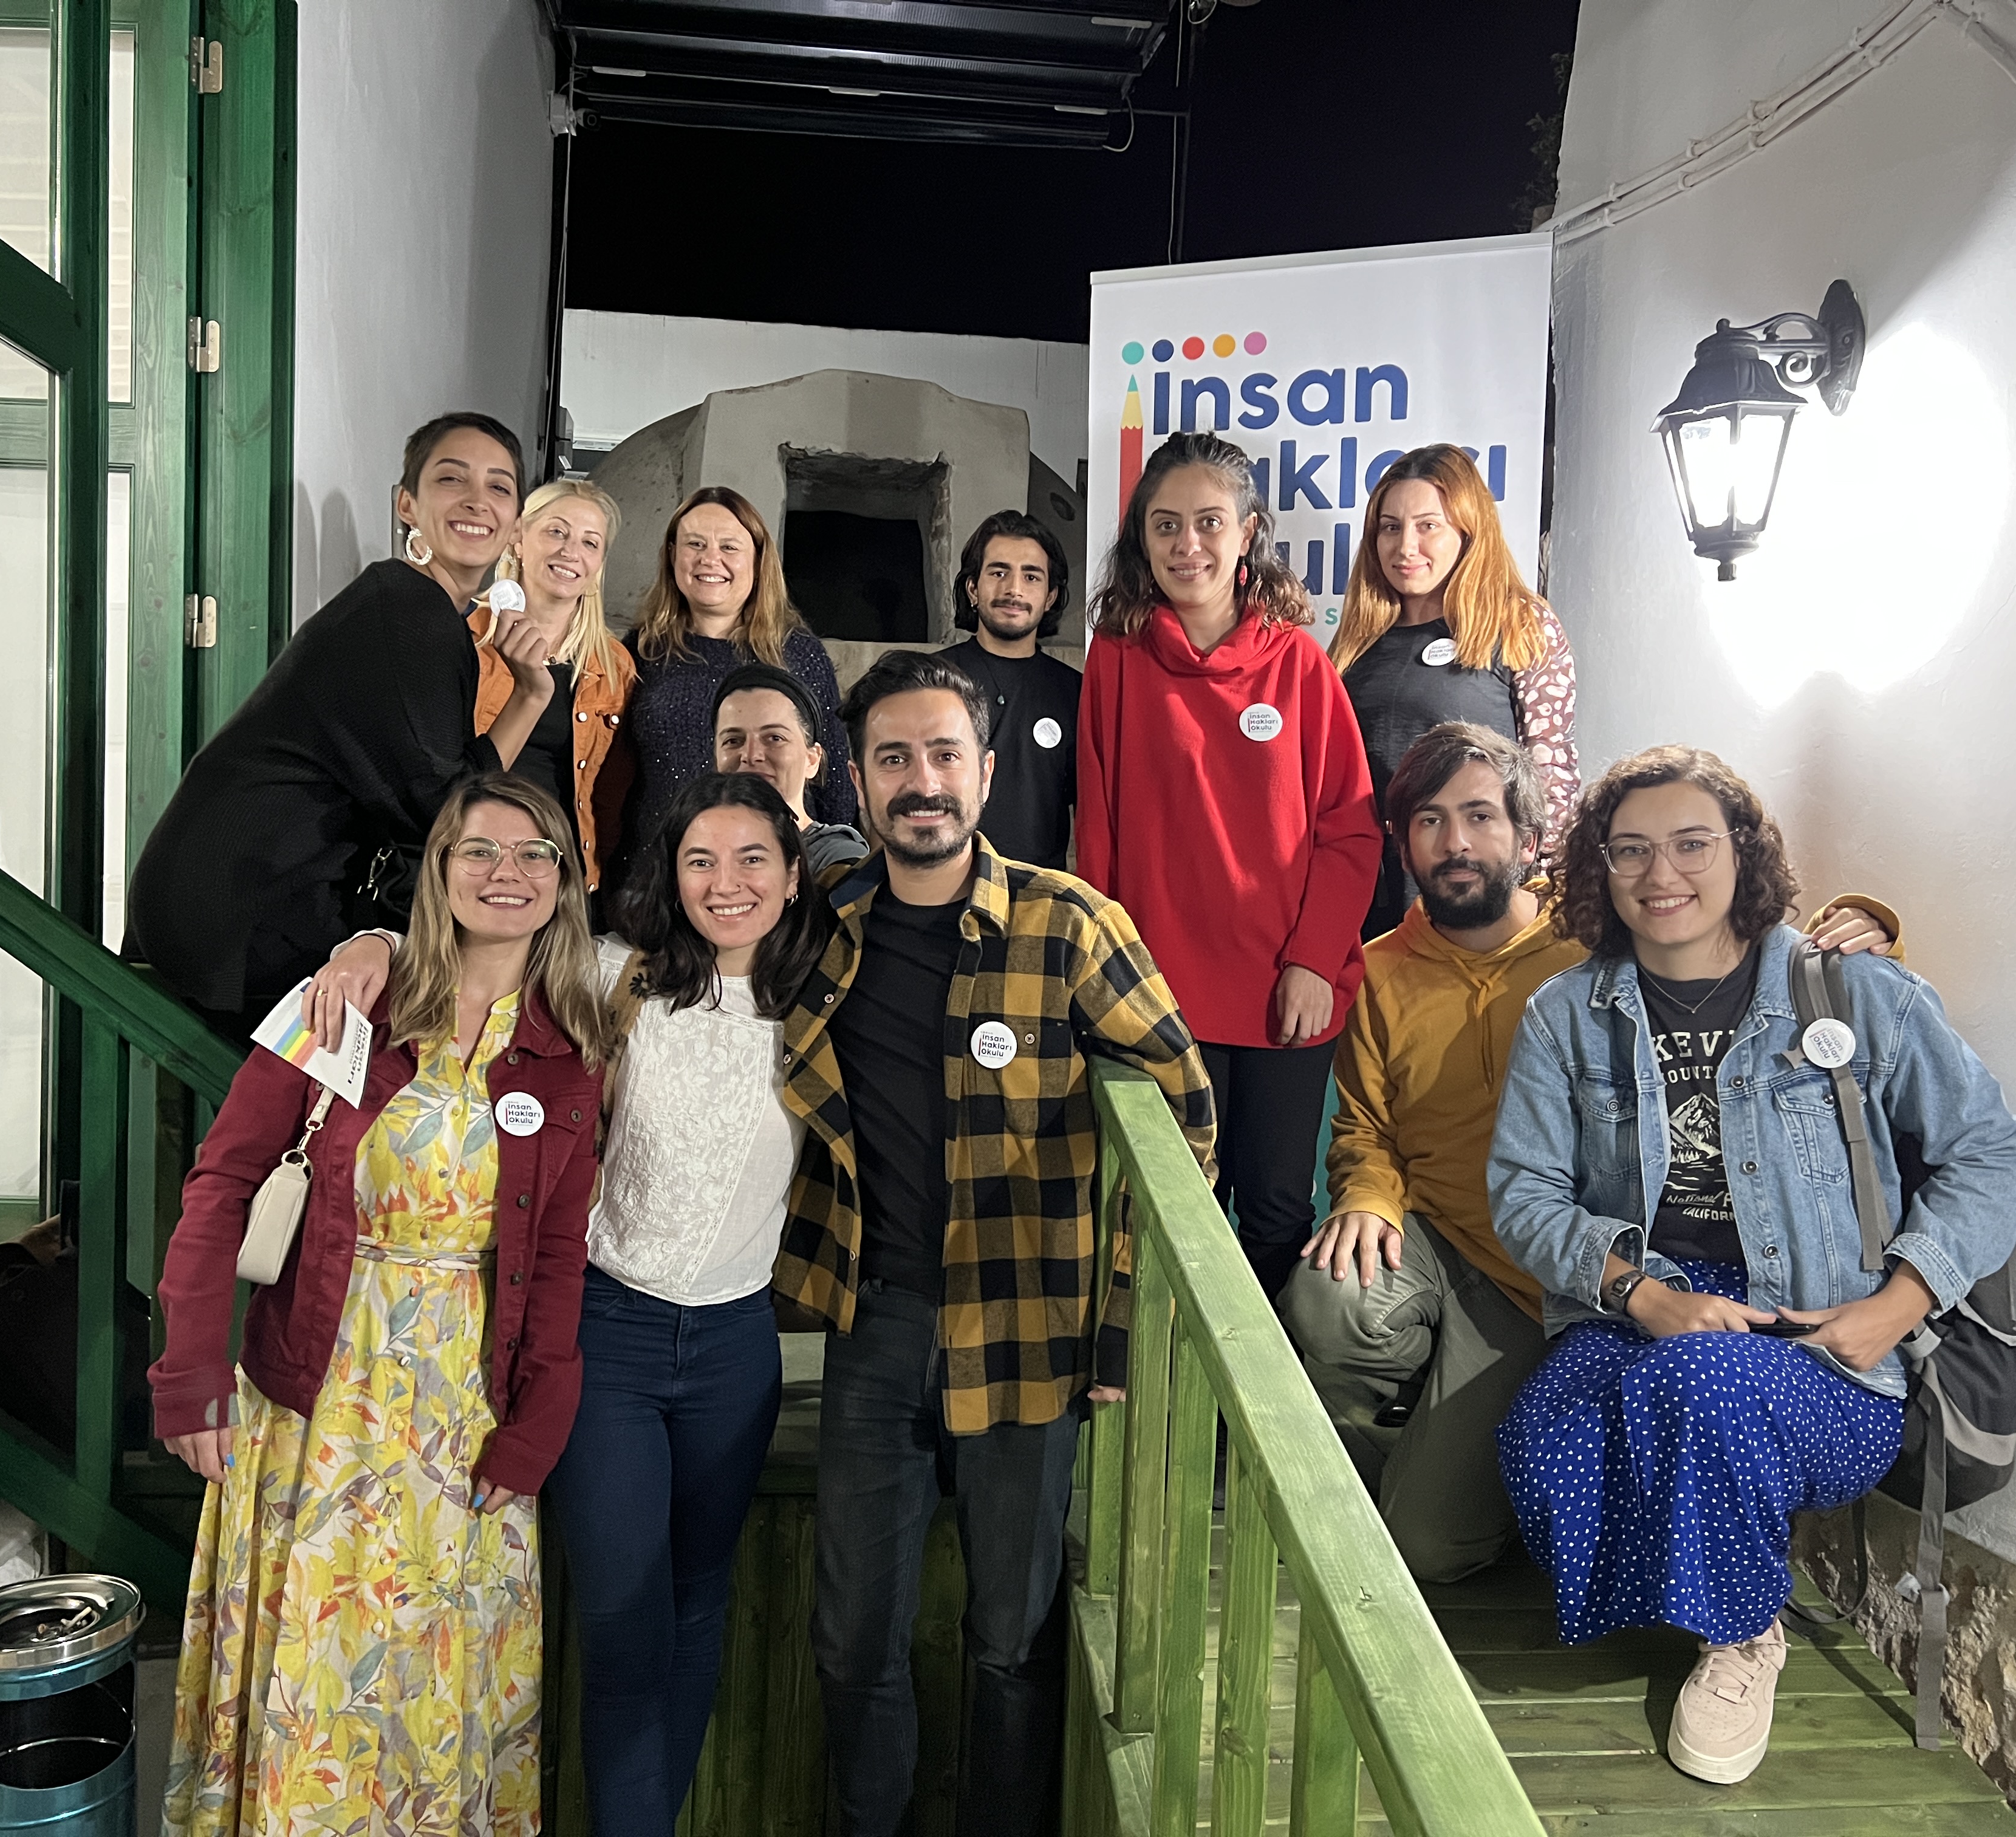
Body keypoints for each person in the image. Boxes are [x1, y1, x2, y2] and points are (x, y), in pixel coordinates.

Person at [1488, 746, 2016, 1787]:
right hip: (1647, 1306)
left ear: (1742, 853)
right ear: (1599, 868)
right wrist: (1642, 1294)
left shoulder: (1853, 992)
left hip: (1828, 1336)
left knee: (1698, 1388)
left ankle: (1742, 1632)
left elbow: (1994, 1155)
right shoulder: (1568, 1014)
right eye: (1629, 850)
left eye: (1692, 843)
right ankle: (1696, 1560)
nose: (1661, 873)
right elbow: (1525, 1192)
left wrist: (1899, 1301)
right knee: (1540, 1443)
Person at [299, 772, 835, 1835]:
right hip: (611, 1332)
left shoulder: (821, 1005)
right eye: (700, 860)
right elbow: (480, 944)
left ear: (791, 875)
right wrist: (371, 940)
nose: (726, 883)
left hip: (737, 1345)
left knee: (697, 1607)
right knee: (625, 1621)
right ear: (670, 873)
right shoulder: (610, 975)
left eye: (751, 860)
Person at [1279, 722, 1898, 1584]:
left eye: (1480, 816)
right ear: (1402, 842)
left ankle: (1453, 1488)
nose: (1455, 843)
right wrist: (1367, 1196)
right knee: (1329, 1301)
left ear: (1529, 836)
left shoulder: (1598, 947)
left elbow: (1740, 951)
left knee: (1430, 1549)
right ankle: (1394, 1469)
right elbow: (1365, 1126)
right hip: (1444, 1240)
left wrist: (1868, 928)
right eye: (1429, 821)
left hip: (1563, 1280)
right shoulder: (1380, 971)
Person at [781, 648, 1214, 1837]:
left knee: (1011, 1643)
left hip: (1029, 1332)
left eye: (943, 754)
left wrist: (1119, 1321)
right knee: (849, 1638)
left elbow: (1185, 1111)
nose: (920, 780)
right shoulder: (826, 920)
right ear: (858, 779)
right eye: (893, 758)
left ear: (984, 769)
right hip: (874, 1326)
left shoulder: (1069, 922)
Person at [153, 774, 610, 1837]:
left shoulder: (570, 1050)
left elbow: (556, 1257)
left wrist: (538, 1425)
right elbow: (222, 1182)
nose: (506, 872)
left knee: (434, 1670)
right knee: (320, 1667)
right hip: (318, 1394)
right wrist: (187, 1374)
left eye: (534, 853)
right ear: (438, 871)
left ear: (563, 881)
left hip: (464, 1408)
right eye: (479, 850)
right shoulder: (346, 1004)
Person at [127, 412, 561, 1033]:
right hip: (246, 911)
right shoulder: (408, 612)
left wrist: (530, 694)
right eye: (451, 479)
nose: (476, 500)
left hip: (231, 902)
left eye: (499, 486)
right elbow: (444, 814)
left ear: (515, 524)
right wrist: (533, 698)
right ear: (406, 505)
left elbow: (445, 796)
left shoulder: (421, 610)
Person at [1077, 430, 1381, 1303]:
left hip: (1287, 993)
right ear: (1142, 538)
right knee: (1179, 1214)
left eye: (1209, 522)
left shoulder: (1301, 664)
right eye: (1166, 525)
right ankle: (1175, 1379)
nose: (1188, 545)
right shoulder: (1117, 660)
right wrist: (1111, 984)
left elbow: (1350, 831)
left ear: (1248, 533)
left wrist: (1314, 961)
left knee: (1278, 1212)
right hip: (1161, 996)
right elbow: (1098, 836)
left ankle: (1266, 1386)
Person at [1331, 443, 1579, 937]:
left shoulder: (1518, 624)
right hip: (1367, 900)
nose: (1406, 546)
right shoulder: (1356, 640)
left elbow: (1552, 777)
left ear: (1468, 531)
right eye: (1390, 528)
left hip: (1479, 902)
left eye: (1428, 526)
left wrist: (1543, 908)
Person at [619, 486, 856, 872]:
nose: (710, 559)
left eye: (729, 547)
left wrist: (834, 877)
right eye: (695, 544)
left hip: (776, 875)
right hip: (657, 869)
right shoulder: (641, 651)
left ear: (758, 561)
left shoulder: (799, 654)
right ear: (673, 554)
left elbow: (836, 784)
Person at [468, 477, 640, 889]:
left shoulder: (614, 666)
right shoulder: (467, 642)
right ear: (518, 539)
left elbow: (611, 799)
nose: (570, 552)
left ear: (598, 566)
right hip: (477, 865)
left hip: (565, 877)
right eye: (557, 532)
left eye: (590, 543)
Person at [941, 510, 1083, 869]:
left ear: (1050, 597)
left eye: (1031, 577)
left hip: (1040, 893)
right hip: (943, 887)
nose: (1014, 590)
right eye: (998, 572)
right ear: (973, 589)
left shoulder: (1076, 693)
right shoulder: (929, 681)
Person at [711, 660, 869, 874]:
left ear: (812, 760)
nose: (751, 755)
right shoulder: (687, 851)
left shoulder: (838, 861)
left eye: (775, 738)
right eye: (733, 741)